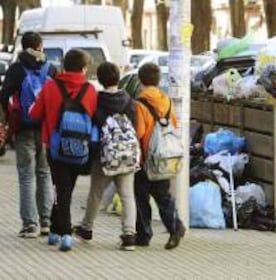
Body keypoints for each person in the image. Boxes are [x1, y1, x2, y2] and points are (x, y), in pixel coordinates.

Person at [30, 48, 97, 251]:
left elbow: (34, 114)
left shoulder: (51, 87)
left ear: (63, 66)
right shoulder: (90, 90)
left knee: (62, 189)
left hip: (55, 147)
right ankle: (54, 232)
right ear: (84, 68)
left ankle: (64, 233)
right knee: (66, 188)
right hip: (80, 148)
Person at [73, 62, 138, 251]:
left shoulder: (97, 100)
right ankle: (129, 235)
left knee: (96, 193)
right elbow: (134, 125)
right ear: (118, 78)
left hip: (104, 155)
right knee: (127, 195)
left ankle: (87, 228)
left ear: (100, 80)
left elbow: (93, 126)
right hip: (126, 154)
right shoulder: (128, 100)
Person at [0, 31, 57, 238]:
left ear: (23, 47)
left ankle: (29, 225)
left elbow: (4, 95)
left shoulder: (16, 69)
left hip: (24, 129)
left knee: (26, 176)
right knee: (44, 174)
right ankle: (46, 222)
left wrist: (9, 117)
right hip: (46, 130)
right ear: (40, 46)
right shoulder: (50, 68)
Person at [134, 62, 185, 250]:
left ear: (140, 80)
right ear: (158, 80)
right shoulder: (167, 100)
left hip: (146, 158)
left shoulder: (140, 103)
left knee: (140, 197)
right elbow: (172, 123)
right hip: (164, 157)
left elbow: (139, 131)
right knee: (163, 196)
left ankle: (144, 234)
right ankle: (175, 226)